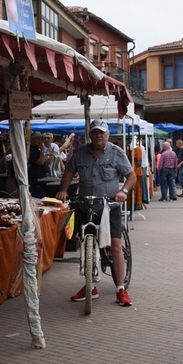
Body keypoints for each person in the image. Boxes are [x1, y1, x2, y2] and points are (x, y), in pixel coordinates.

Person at [56, 119, 137, 307]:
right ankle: (90, 286)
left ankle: (120, 289)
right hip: (85, 206)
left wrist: (123, 192)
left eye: (102, 132)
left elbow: (131, 176)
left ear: (108, 135)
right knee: (86, 246)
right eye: (95, 132)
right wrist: (63, 190)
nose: (98, 135)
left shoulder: (116, 153)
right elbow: (68, 172)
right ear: (90, 135)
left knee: (116, 245)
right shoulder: (80, 153)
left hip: (109, 207)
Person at [27, 132, 47, 199]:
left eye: (41, 139)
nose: (40, 141)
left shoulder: (36, 150)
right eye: (38, 139)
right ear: (32, 140)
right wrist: (42, 150)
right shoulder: (31, 150)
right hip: (35, 181)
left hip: (40, 181)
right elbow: (40, 162)